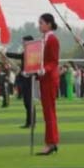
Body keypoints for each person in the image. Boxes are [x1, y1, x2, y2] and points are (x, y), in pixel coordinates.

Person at [36, 13, 60, 155]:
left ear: (49, 24)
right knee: (47, 111)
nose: (39, 25)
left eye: (41, 23)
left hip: (50, 78)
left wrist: (45, 69)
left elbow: (54, 61)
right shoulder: (43, 39)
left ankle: (51, 142)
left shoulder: (52, 39)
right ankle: (51, 141)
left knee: (49, 111)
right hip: (44, 78)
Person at [6, 35, 36, 128]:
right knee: (26, 102)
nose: (22, 43)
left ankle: (31, 122)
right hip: (24, 78)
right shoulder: (26, 51)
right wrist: (6, 54)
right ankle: (29, 122)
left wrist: (7, 53)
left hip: (29, 79)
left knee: (29, 101)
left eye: (24, 41)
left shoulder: (32, 52)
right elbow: (19, 56)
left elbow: (19, 56)